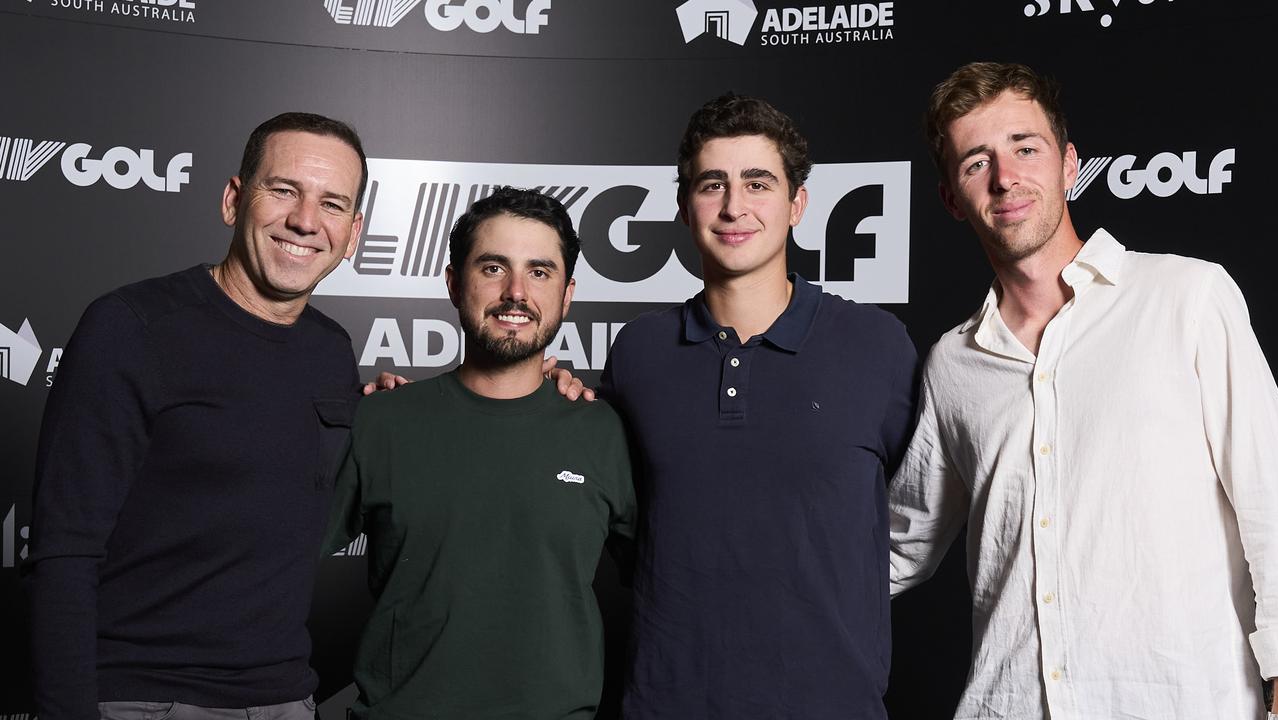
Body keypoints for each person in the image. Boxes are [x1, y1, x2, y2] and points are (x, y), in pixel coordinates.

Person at [888, 61, 1278, 719]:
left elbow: (1272, 496)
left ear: (1069, 165)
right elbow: (902, 545)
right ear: (953, 198)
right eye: (976, 162)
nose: (1006, 177)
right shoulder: (953, 363)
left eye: (1025, 148)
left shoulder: (1186, 297)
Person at [25, 112, 372, 720]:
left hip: (284, 699)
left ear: (353, 232)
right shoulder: (131, 327)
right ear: (233, 200)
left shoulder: (332, 350)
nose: (305, 221)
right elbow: (63, 552)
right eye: (284, 190)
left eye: (332, 204)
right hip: (142, 696)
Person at [600, 94, 918, 719]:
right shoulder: (638, 351)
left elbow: (918, 509)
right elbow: (615, 516)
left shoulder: (877, 345)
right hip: (669, 704)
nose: (734, 206)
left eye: (758, 183)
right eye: (712, 183)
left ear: (798, 203)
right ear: (684, 205)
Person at [324, 186, 636, 719]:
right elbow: (267, 559)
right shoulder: (381, 420)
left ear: (567, 294)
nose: (516, 292)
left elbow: (677, 586)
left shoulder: (606, 431)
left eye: (540, 272)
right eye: (493, 268)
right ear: (453, 283)